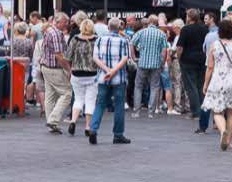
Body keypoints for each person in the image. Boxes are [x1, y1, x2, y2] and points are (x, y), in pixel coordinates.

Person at [202, 18, 232, 151]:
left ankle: (223, 132)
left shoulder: (214, 45)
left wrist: (205, 83)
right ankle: (228, 141)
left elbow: (210, 67)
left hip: (217, 80)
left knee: (217, 111)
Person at [89, 17, 130, 145]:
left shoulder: (99, 40)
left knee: (100, 104)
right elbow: (125, 59)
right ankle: (118, 135)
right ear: (120, 28)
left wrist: (107, 70)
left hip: (103, 77)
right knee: (119, 106)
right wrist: (113, 71)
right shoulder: (124, 40)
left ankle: (93, 129)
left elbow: (95, 58)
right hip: (119, 78)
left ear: (108, 27)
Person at [65, 18, 98, 136]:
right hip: (92, 74)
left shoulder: (75, 39)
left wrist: (70, 69)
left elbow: (68, 57)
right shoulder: (96, 40)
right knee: (90, 100)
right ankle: (88, 126)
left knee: (78, 99)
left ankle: (73, 120)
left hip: (76, 72)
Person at [131, 14, 168, 118]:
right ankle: (151, 112)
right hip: (156, 64)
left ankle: (137, 111)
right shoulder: (161, 34)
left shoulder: (141, 32)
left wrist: (134, 57)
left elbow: (131, 43)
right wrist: (162, 62)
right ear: (156, 23)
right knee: (154, 87)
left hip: (142, 63)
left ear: (148, 22)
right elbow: (164, 51)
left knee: (138, 86)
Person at [41, 12, 72, 134]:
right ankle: (53, 120)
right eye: (65, 22)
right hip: (54, 68)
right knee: (67, 94)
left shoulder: (49, 31)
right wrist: (68, 69)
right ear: (58, 22)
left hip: (45, 66)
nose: (67, 24)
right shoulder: (56, 34)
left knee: (50, 96)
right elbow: (59, 55)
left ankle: (51, 123)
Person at [176, 9, 208, 119]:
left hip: (188, 60)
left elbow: (180, 47)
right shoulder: (205, 28)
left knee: (191, 86)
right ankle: (203, 111)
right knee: (200, 86)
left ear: (189, 17)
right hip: (202, 59)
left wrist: (179, 59)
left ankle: (196, 112)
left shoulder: (185, 29)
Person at [169, 19, 190, 115]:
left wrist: (170, 53)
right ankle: (188, 105)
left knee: (177, 83)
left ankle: (178, 105)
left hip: (178, 60)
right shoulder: (187, 35)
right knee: (185, 83)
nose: (173, 30)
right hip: (186, 61)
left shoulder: (179, 36)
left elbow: (174, 50)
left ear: (178, 27)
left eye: (174, 28)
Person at [31, 22, 50, 115]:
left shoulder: (38, 43)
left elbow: (35, 57)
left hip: (40, 67)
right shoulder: (55, 41)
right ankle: (50, 108)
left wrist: (36, 66)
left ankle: (44, 107)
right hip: (51, 68)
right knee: (50, 88)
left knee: (41, 89)